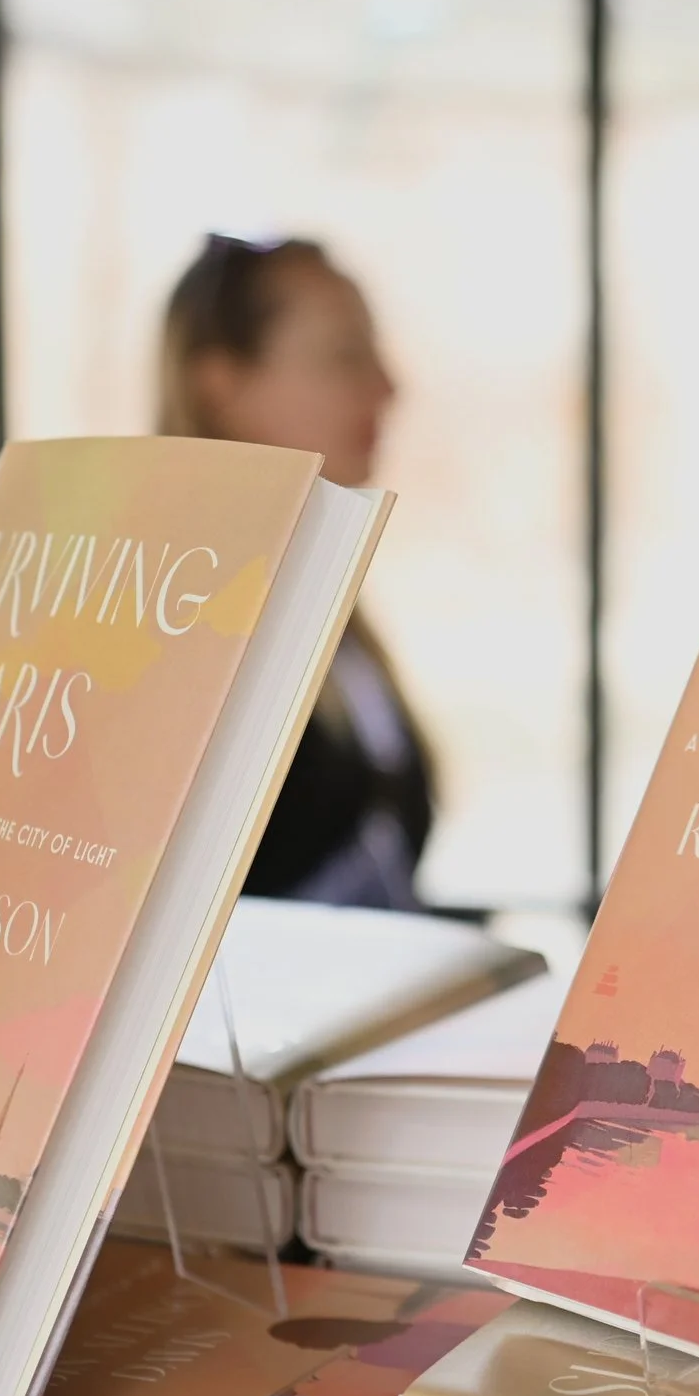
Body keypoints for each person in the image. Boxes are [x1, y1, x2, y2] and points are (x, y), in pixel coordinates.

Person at [158, 233, 433, 910]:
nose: (388, 386)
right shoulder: (175, 631)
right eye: (345, 355)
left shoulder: (323, 598)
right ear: (220, 384)